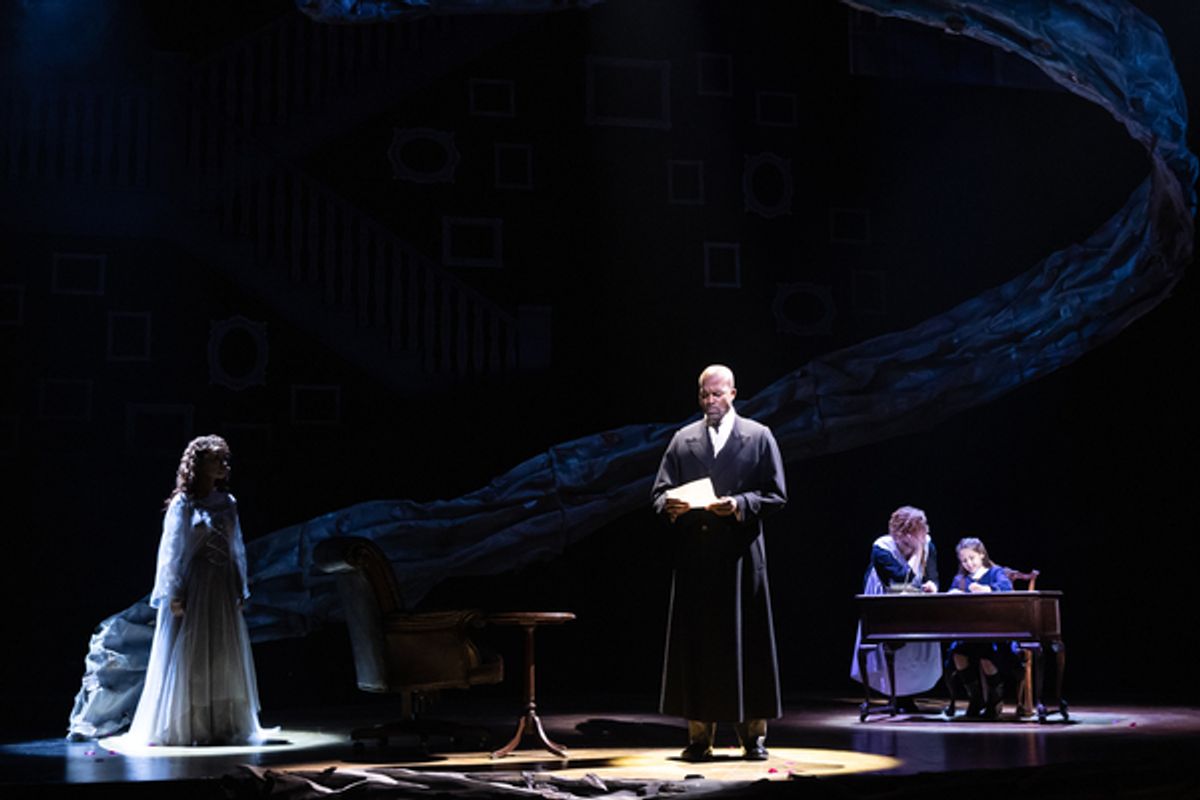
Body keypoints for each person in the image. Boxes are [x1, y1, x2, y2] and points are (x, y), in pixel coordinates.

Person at [652, 364, 787, 762]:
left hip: (741, 556)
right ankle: (699, 736)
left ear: (733, 393)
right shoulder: (683, 439)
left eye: (717, 394)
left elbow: (777, 495)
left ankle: (754, 737)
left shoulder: (758, 436)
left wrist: (740, 504)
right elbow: (658, 493)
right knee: (699, 646)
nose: (710, 401)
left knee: (749, 645)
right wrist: (669, 506)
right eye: (704, 395)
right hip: (697, 557)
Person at [126, 435, 264, 745]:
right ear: (199, 465)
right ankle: (191, 724)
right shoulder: (184, 503)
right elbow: (171, 551)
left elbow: (236, 546)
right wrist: (174, 591)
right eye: (215, 459)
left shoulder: (228, 503)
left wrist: (241, 585)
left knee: (221, 652)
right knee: (192, 650)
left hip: (223, 583)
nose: (222, 465)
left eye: (223, 459)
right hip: (196, 582)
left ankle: (223, 724)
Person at [850, 506, 942, 712]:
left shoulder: (928, 543)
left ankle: (909, 695)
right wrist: (918, 552)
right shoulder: (882, 548)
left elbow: (932, 574)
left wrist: (932, 586)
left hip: (915, 599)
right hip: (885, 598)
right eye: (917, 532)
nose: (922, 536)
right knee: (893, 644)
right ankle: (894, 695)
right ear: (903, 534)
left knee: (915, 647)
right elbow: (899, 581)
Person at [945, 536, 1018, 718]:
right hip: (969, 632)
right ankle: (976, 698)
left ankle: (995, 700)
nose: (968, 564)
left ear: (981, 555)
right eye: (964, 560)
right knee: (958, 654)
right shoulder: (961, 579)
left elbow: (1006, 588)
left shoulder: (995, 572)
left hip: (995, 632)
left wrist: (988, 590)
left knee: (987, 655)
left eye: (972, 558)